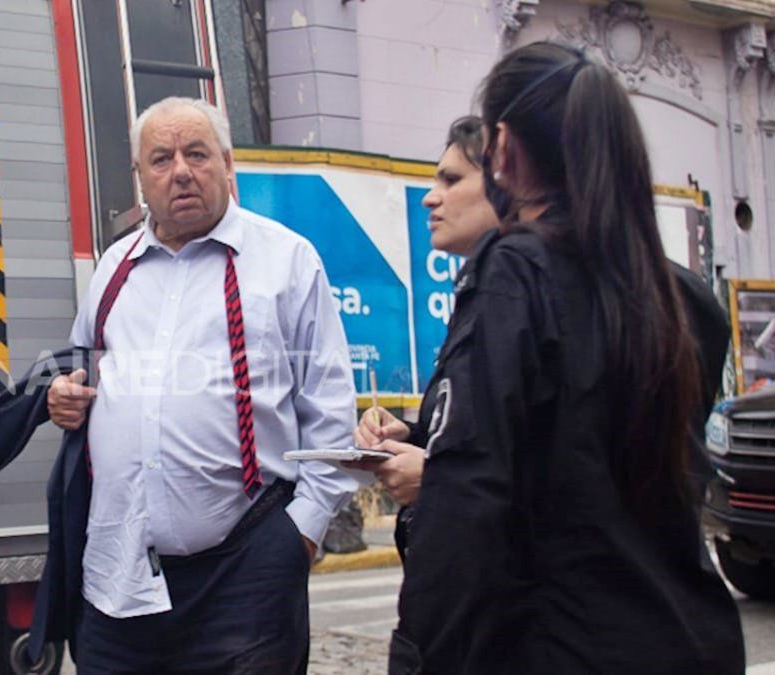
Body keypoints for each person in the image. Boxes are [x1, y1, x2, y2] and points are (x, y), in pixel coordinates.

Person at [370, 43, 745, 674]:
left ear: (505, 150)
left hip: (558, 643)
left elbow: (469, 505)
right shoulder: (676, 294)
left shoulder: (516, 270)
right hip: (682, 635)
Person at [46, 96, 358, 673]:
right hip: (122, 577)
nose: (181, 171)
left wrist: (303, 534)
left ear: (228, 162)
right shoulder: (114, 269)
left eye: (197, 153)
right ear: (140, 178)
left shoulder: (286, 261)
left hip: (249, 574)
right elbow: (82, 371)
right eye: (161, 159)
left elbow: (330, 408)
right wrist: (64, 396)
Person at [351, 116, 499, 510]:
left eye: (451, 181)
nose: (430, 198)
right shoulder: (477, 291)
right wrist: (413, 439)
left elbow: (557, 469)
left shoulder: (528, 299)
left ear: (508, 184)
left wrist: (438, 478)